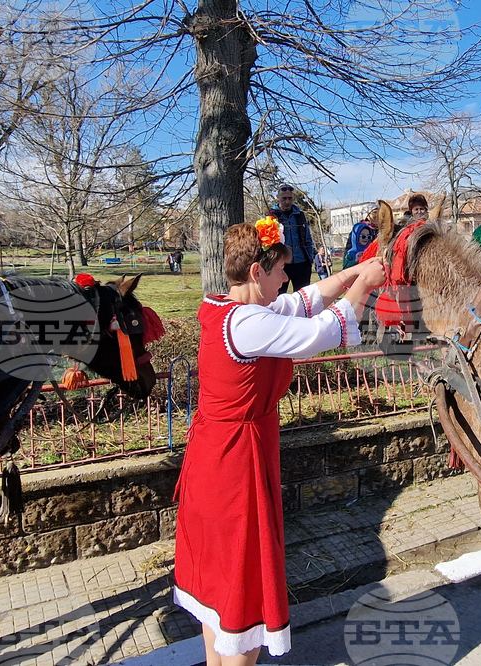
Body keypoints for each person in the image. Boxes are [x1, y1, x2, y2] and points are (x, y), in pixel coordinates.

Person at [173, 221, 387, 666]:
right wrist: (365, 285)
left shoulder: (228, 309)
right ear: (255, 271)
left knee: (220, 589)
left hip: (216, 456)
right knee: (243, 583)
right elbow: (318, 334)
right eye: (278, 272)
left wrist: (351, 274)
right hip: (235, 464)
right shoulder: (249, 325)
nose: (286, 279)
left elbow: (303, 301)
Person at [268, 184, 315, 292]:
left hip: (301, 263)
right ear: (278, 197)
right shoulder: (271, 216)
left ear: (293, 198)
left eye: (290, 198)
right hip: (280, 263)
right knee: (277, 296)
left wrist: (310, 259)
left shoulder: (300, 215)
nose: (287, 201)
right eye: (284, 198)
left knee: (303, 297)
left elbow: (308, 239)